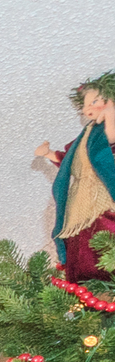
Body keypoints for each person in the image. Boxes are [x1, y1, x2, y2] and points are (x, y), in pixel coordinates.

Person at [36, 74, 115, 280]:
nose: (88, 109)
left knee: (104, 232)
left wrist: (111, 114)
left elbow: (110, 144)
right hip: (80, 199)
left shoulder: (104, 131)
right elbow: (70, 161)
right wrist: (48, 153)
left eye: (94, 101)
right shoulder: (87, 133)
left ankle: (105, 284)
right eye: (85, 105)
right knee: (77, 237)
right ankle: (84, 286)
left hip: (102, 196)